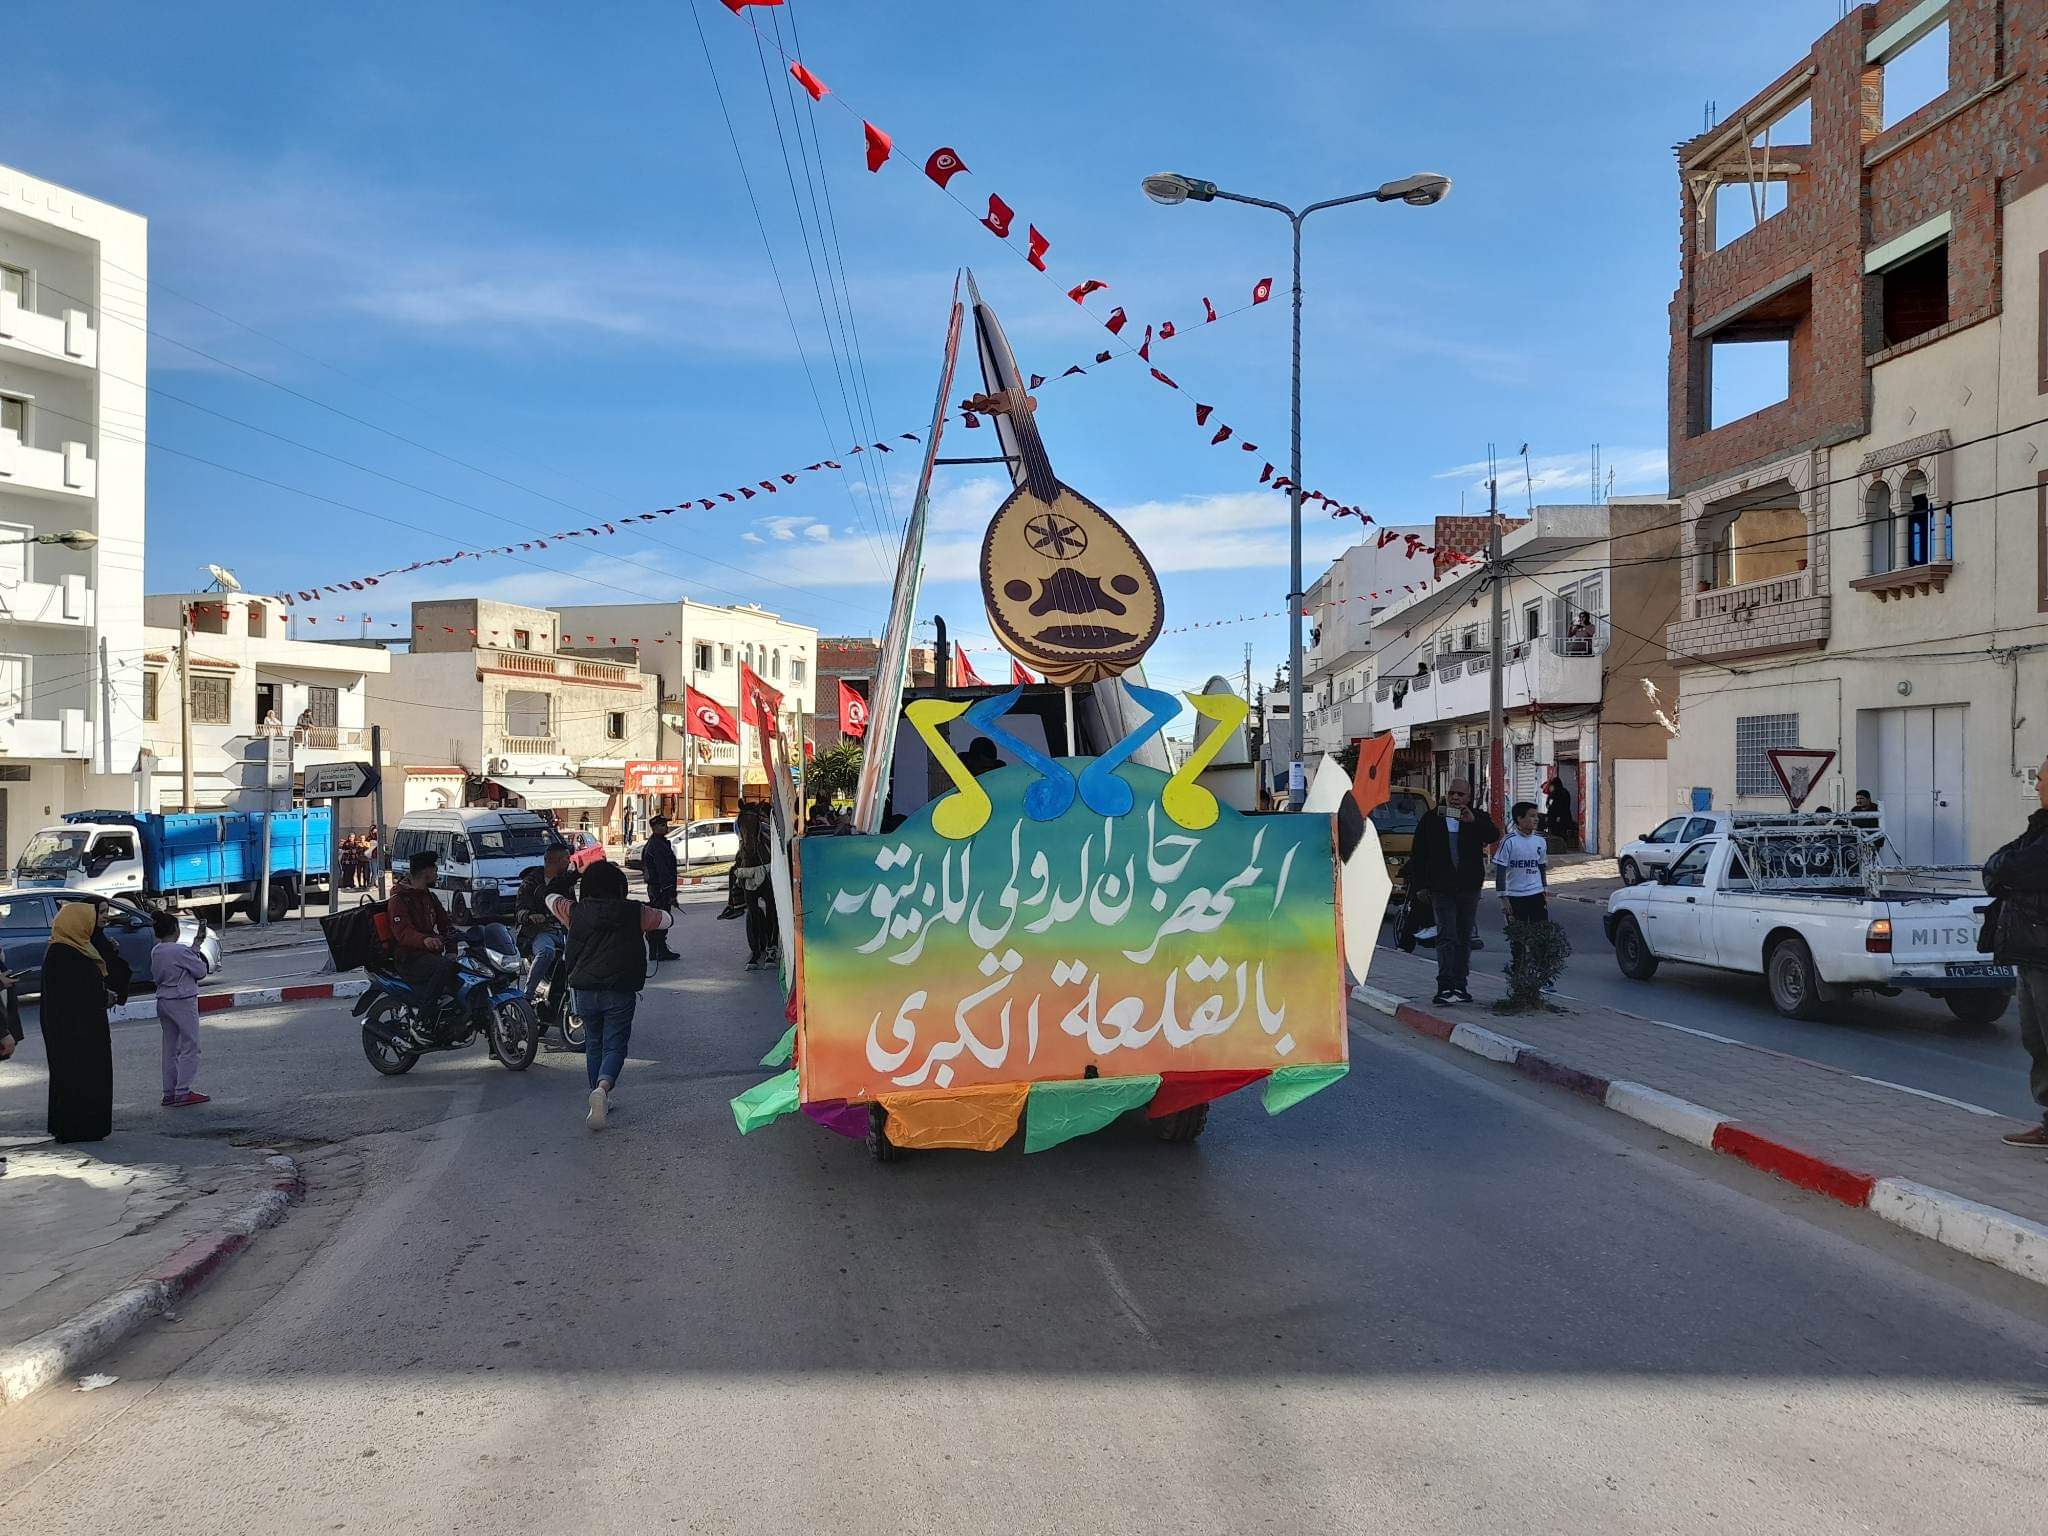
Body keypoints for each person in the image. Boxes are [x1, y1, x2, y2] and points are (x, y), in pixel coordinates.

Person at [549, 859, 672, 1130]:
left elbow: (550, 898)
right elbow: (666, 920)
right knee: (615, 1045)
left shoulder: (574, 911)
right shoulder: (634, 912)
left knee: (593, 1042)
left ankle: (597, 1093)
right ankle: (603, 1090)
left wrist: (570, 877)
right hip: (619, 989)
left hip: (584, 990)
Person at [1991, 758, 2048, 1149]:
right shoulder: (2039, 829)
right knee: (2035, 1040)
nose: (2038, 784)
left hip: (2044, 950)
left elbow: (2016, 869)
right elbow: (1998, 864)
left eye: (2042, 779)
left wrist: (2005, 873)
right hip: (2029, 951)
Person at [1402, 780, 1498, 1007]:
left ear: (1468, 797)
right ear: (1446, 795)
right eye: (1452, 793)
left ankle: (1460, 985)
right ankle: (1444, 986)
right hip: (1441, 888)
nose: (1456, 798)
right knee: (1446, 936)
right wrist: (1422, 886)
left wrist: (1472, 822)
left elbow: (1493, 835)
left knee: (1464, 937)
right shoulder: (1432, 818)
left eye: (1461, 794)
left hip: (1469, 887)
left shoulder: (1476, 817)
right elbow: (1420, 854)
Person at [40, 902, 127, 1143]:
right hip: (77, 1032)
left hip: (77, 1029)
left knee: (76, 1077)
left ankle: (76, 1127)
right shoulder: (66, 954)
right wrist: (104, 996)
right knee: (82, 1077)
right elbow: (81, 992)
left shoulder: (69, 949)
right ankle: (82, 1128)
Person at [388, 850, 458, 1045]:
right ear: (426, 872)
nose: (437, 872)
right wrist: (424, 940)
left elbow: (446, 925)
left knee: (463, 968)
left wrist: (453, 949)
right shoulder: (399, 899)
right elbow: (402, 932)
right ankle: (422, 1022)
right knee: (443, 967)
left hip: (430, 954)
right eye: (434, 868)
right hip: (409, 957)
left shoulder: (430, 897)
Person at [150, 911, 211, 1107]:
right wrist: (194, 949)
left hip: (164, 1000)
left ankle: (169, 1091)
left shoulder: (157, 950)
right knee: (190, 1045)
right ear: (175, 929)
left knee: (169, 1047)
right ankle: (183, 1090)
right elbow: (200, 970)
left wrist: (196, 944)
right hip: (182, 1000)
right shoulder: (178, 951)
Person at [1495, 801, 1552, 979]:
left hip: (1535, 894)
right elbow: (1501, 871)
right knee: (1518, 938)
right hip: (1515, 896)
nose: (1536, 819)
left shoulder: (1540, 841)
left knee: (1541, 936)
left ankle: (1542, 975)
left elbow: (1541, 866)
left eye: (1537, 816)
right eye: (1531, 816)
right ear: (1519, 819)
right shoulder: (1509, 841)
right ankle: (1519, 974)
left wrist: (1544, 889)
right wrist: (1503, 898)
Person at [517, 844, 578, 1007]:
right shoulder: (531, 881)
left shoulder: (566, 882)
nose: (569, 862)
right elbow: (520, 911)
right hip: (539, 932)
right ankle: (527, 996)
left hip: (565, 931)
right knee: (546, 952)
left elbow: (575, 908)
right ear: (554, 861)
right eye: (566, 859)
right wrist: (530, 916)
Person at [640, 814, 679, 962]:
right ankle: (659, 951)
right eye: (662, 825)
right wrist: (669, 891)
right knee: (661, 919)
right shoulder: (656, 845)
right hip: (660, 888)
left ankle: (657, 950)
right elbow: (663, 870)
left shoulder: (659, 843)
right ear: (654, 828)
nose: (666, 827)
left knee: (658, 918)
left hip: (658, 887)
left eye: (665, 824)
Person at [1544, 774, 1574, 844]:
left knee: (1558, 832)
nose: (1550, 788)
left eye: (1551, 786)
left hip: (1559, 817)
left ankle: (1560, 846)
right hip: (1558, 816)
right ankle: (1559, 846)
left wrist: (1559, 816)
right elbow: (1550, 805)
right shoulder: (1557, 793)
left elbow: (1562, 806)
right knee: (1558, 832)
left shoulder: (1560, 793)